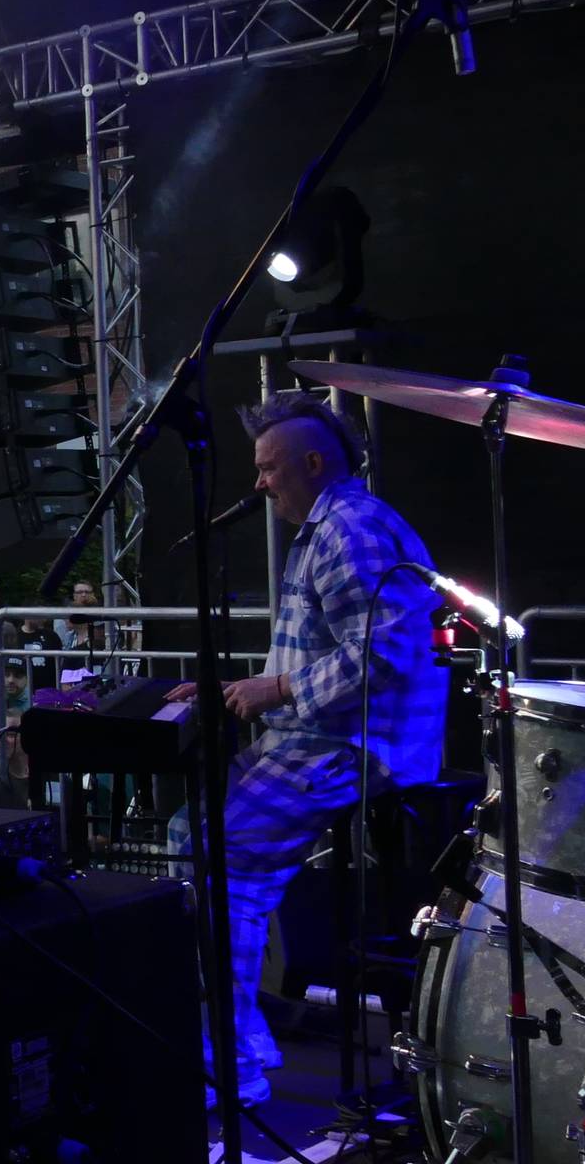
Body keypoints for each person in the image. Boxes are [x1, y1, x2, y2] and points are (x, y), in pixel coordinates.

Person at [165, 393, 449, 1108]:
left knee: (207, 844)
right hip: (327, 733)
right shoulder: (332, 524)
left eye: (269, 468)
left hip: (358, 745)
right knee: (203, 838)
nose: (259, 484)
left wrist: (280, 689)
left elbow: (385, 653)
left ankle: (228, 1059)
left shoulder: (348, 529)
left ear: (314, 462)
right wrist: (236, 687)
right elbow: (328, 653)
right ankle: (242, 1032)